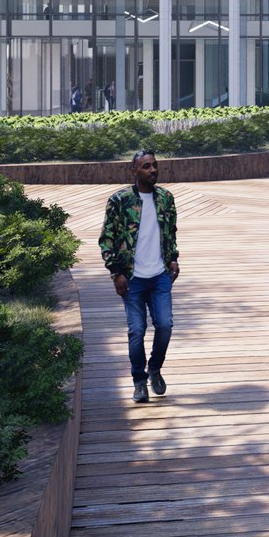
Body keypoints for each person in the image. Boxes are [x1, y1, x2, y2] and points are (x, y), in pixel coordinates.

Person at [101, 150, 180, 403]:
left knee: (165, 325)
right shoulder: (120, 200)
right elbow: (107, 239)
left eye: (155, 166)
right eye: (146, 167)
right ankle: (139, 381)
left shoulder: (166, 198)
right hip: (132, 278)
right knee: (137, 330)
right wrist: (116, 273)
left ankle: (155, 367)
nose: (153, 170)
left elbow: (171, 232)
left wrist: (173, 258)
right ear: (134, 171)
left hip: (160, 276)